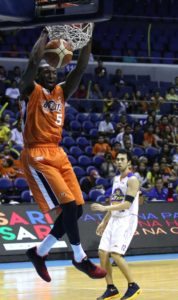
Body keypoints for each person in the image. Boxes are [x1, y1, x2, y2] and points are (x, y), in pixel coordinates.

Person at [19, 28, 106, 282]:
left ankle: (39, 252)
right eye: (47, 71)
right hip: (37, 154)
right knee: (67, 205)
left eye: (54, 71)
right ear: (39, 75)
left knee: (77, 210)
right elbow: (33, 61)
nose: (51, 72)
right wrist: (45, 36)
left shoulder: (61, 92)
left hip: (58, 152)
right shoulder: (31, 90)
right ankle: (79, 257)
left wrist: (88, 40)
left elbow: (80, 68)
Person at [91, 149, 141, 300]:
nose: (119, 162)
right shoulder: (116, 179)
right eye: (117, 159)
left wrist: (105, 208)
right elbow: (115, 202)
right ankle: (111, 288)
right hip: (114, 218)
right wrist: (104, 221)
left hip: (127, 219)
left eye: (122, 159)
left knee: (116, 255)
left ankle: (133, 286)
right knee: (102, 252)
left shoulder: (133, 180)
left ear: (129, 162)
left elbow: (126, 204)